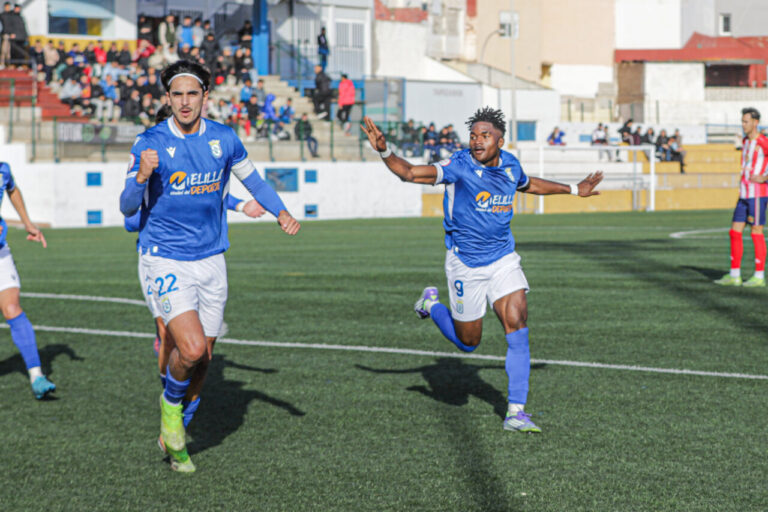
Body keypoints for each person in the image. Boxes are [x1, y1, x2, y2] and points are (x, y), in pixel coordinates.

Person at [361, 108, 603, 433]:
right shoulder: (458, 166)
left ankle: (516, 412)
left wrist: (574, 189)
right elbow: (409, 173)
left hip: (503, 259)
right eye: (473, 135)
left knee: (517, 323)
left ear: (500, 140)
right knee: (468, 343)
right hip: (466, 264)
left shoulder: (510, 165)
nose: (477, 141)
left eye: (484, 135)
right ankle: (431, 305)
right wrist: (385, 151)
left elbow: (529, 185)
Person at [119, 60, 301, 473]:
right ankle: (170, 407)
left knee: (205, 359)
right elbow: (127, 207)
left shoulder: (224, 139)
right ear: (167, 99)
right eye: (177, 95)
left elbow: (253, 181)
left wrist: (281, 211)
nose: (185, 102)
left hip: (212, 259)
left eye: (192, 93)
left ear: (206, 97)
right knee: (192, 347)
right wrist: (141, 176)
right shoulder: (149, 142)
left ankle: (176, 426)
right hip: (164, 256)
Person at [125, 103, 267, 434]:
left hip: (203, 259)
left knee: (201, 349)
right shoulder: (150, 158)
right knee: (166, 332)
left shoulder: (196, 156)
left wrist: (241, 204)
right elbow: (130, 219)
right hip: (157, 260)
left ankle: (182, 399)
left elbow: (211, 192)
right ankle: (169, 392)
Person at [0, 161, 54, 399]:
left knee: (12, 308)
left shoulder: (3, 169)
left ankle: (37, 375)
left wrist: (27, 223)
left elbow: (12, 188)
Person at [715, 107, 768, 287]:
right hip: (744, 194)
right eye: (742, 121)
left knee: (756, 232)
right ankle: (734, 274)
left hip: (758, 195)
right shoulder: (745, 141)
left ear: (755, 122)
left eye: (746, 121)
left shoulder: (763, 141)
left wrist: (765, 178)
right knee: (734, 231)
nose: (743, 125)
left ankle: (759, 276)